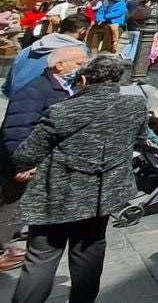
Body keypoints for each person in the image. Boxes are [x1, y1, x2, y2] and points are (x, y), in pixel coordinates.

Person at [10, 54, 150, 303]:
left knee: (42, 257)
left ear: (83, 79)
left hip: (57, 195)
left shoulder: (63, 110)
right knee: (89, 253)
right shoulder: (135, 106)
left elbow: (26, 154)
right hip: (102, 195)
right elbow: (139, 141)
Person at [0, 45, 87, 272]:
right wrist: (24, 164)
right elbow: (16, 130)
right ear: (60, 65)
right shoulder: (34, 91)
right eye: (79, 63)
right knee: (10, 204)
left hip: (41, 162)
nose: (82, 67)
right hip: (22, 163)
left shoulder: (65, 87)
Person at [5, 13, 92, 97]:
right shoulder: (80, 52)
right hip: (49, 103)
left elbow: (7, 85)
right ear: (82, 30)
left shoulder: (28, 49)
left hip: (17, 98)